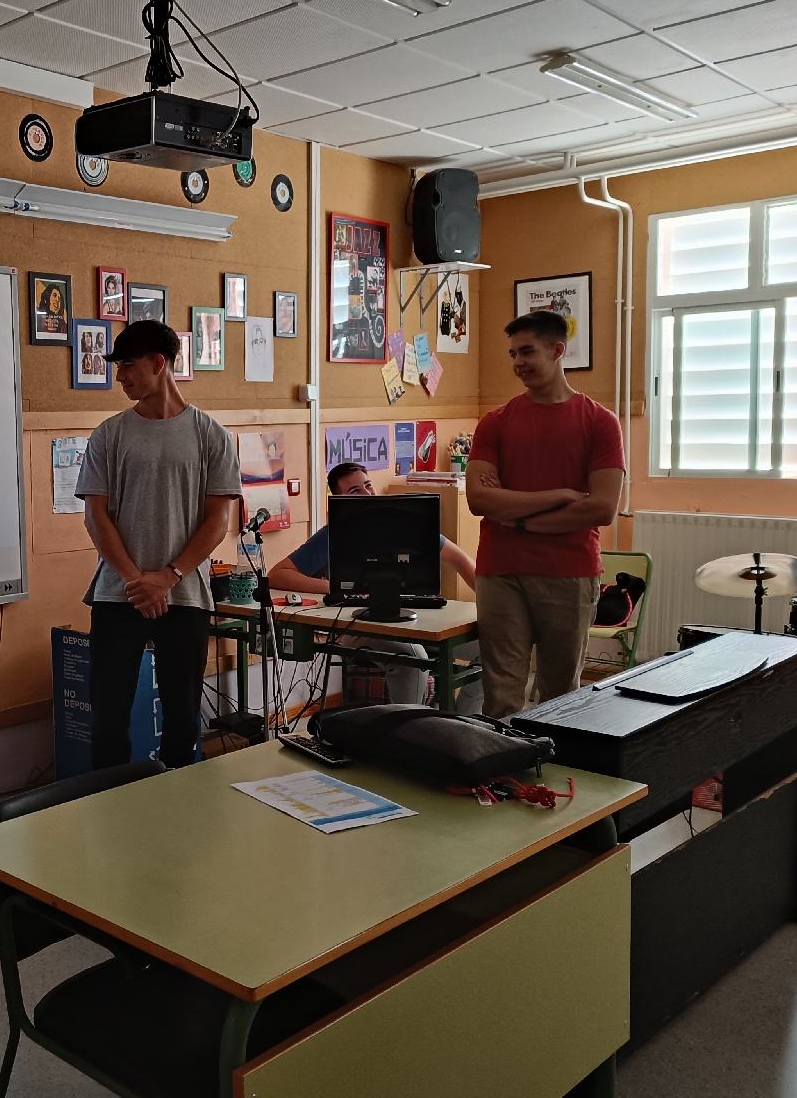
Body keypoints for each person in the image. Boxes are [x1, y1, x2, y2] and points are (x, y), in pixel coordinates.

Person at [76, 319, 240, 768]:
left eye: (127, 365)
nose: (120, 377)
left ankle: (177, 806)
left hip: (184, 595)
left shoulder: (211, 435)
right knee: (108, 719)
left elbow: (217, 521)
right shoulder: (109, 434)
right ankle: (110, 805)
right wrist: (137, 581)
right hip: (118, 594)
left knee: (183, 720)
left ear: (159, 364)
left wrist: (168, 577)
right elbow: (95, 517)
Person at [466, 310, 625, 720]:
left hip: (569, 571)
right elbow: (479, 500)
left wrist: (518, 518)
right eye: (513, 354)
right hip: (501, 570)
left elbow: (601, 508)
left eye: (527, 352)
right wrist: (560, 496)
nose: (518, 362)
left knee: (560, 695)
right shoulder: (495, 422)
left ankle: (552, 762)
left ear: (557, 351)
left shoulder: (600, 422)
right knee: (501, 693)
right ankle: (501, 761)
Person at [266, 462, 476, 705]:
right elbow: (278, 574)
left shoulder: (407, 526)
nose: (367, 494)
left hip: (416, 618)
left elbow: (463, 563)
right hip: (360, 624)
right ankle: (409, 726)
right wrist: (337, 588)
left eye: (368, 486)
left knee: (490, 649)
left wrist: (494, 605)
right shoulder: (333, 534)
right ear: (339, 501)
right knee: (410, 658)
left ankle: (464, 722)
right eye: (355, 491)